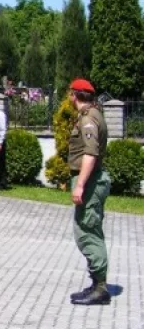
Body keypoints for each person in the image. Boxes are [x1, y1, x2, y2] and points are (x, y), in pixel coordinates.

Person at [67, 79, 112, 306]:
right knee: (90, 228)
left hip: (91, 181)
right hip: (94, 179)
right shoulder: (94, 114)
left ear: (74, 95)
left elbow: (91, 153)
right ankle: (96, 284)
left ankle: (101, 288)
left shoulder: (88, 119)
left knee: (87, 232)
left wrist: (81, 184)